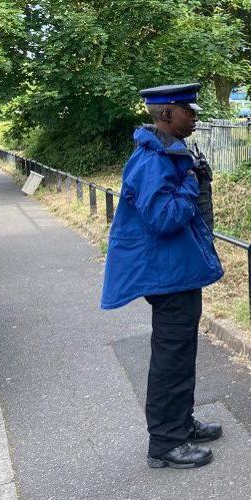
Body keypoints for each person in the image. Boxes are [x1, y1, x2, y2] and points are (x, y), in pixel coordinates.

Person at [100, 83, 224, 469]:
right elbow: (165, 217)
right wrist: (191, 180)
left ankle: (181, 424)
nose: (195, 116)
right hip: (168, 276)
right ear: (167, 114)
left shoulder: (169, 152)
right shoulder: (153, 160)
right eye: (189, 110)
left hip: (179, 273)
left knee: (181, 352)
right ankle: (165, 444)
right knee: (170, 357)